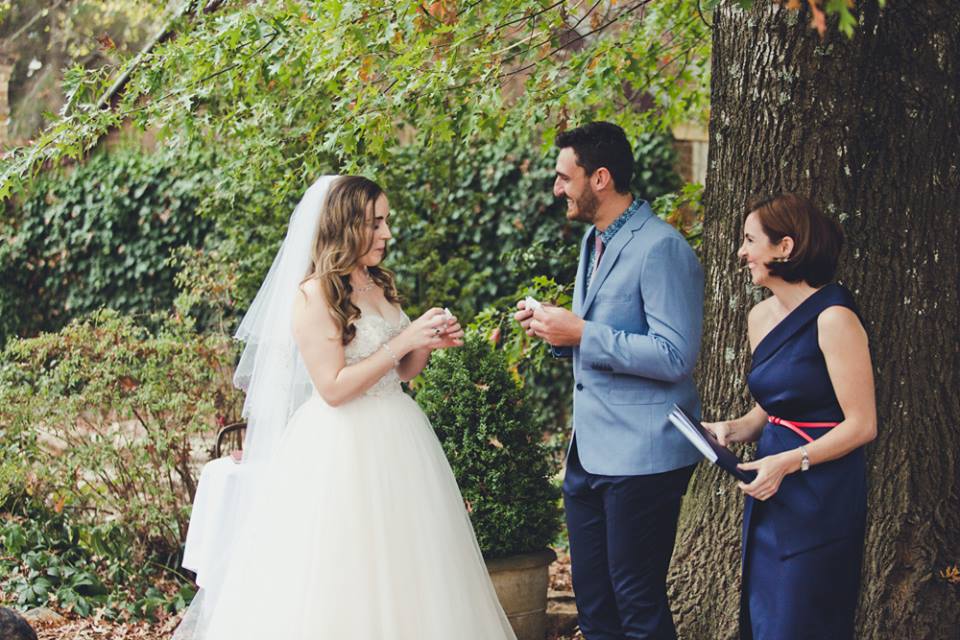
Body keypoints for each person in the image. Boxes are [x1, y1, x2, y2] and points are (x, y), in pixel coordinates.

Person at [174, 175, 516, 640]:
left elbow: (402, 371)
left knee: (410, 565)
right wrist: (404, 343)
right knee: (345, 570)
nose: (387, 233)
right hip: (342, 449)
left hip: (401, 440)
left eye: (387, 222)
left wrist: (427, 342)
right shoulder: (314, 294)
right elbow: (333, 387)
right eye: (375, 223)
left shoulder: (377, 283)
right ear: (346, 224)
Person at [515, 122, 704, 639]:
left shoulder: (662, 247)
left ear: (600, 178)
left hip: (643, 457)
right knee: (595, 605)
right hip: (589, 454)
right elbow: (599, 334)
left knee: (637, 603)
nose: (557, 188)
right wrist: (557, 332)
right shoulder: (594, 241)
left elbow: (674, 355)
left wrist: (581, 332)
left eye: (564, 176)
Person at [703, 193, 877, 640]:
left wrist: (789, 462)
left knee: (800, 619)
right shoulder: (759, 316)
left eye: (749, 240)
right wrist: (732, 429)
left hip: (821, 490)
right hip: (769, 485)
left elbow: (862, 425)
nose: (741, 252)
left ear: (785, 247)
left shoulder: (835, 317)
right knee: (764, 614)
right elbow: (772, 407)